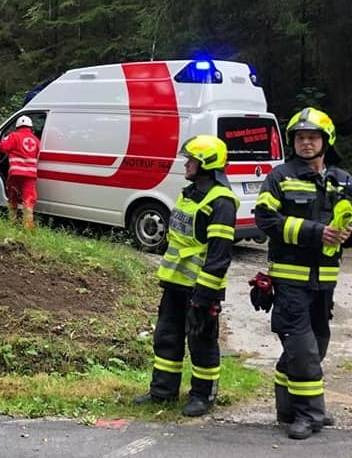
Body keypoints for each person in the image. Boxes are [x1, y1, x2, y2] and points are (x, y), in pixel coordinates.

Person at [255, 107, 351, 439]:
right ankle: (310, 414)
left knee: (316, 346)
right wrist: (315, 232)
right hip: (290, 280)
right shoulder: (279, 176)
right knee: (303, 349)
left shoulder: (342, 180)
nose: (306, 143)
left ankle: (287, 409)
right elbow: (265, 220)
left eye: (312, 137)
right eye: (300, 137)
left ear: (326, 141)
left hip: (324, 283)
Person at [134, 135, 238, 417]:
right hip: (175, 283)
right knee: (167, 337)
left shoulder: (222, 202)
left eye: (192, 159)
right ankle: (162, 392)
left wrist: (203, 298)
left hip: (201, 288)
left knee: (201, 342)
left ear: (206, 163)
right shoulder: (188, 193)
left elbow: (219, 257)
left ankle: (203, 396)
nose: (187, 163)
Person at [0, 115, 41, 230]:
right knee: (29, 198)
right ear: (31, 127)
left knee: (13, 196)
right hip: (30, 175)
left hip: (16, 173)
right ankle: (28, 225)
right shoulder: (36, 140)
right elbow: (37, 156)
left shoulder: (14, 136)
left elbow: (2, 147)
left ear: (17, 126)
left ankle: (13, 221)